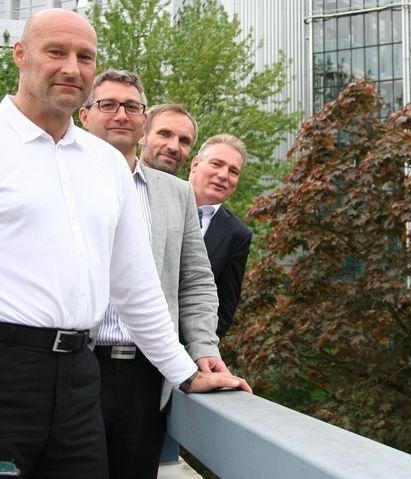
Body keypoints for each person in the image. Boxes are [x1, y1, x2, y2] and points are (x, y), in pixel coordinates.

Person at [0, 9, 250, 479]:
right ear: (20, 55)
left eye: (84, 56)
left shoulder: (104, 165)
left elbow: (138, 288)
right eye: (56, 52)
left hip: (78, 381)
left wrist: (187, 371)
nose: (72, 67)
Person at [79, 70, 229, 479]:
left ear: (142, 120)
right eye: (108, 105)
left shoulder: (176, 193)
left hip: (147, 376)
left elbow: (197, 282)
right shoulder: (63, 181)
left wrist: (204, 349)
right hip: (74, 366)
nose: (121, 115)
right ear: (83, 115)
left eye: (131, 107)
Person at [188, 135, 252, 338]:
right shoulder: (153, 198)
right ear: (195, 163)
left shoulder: (237, 234)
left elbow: (224, 310)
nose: (224, 175)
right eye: (217, 164)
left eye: (234, 171)